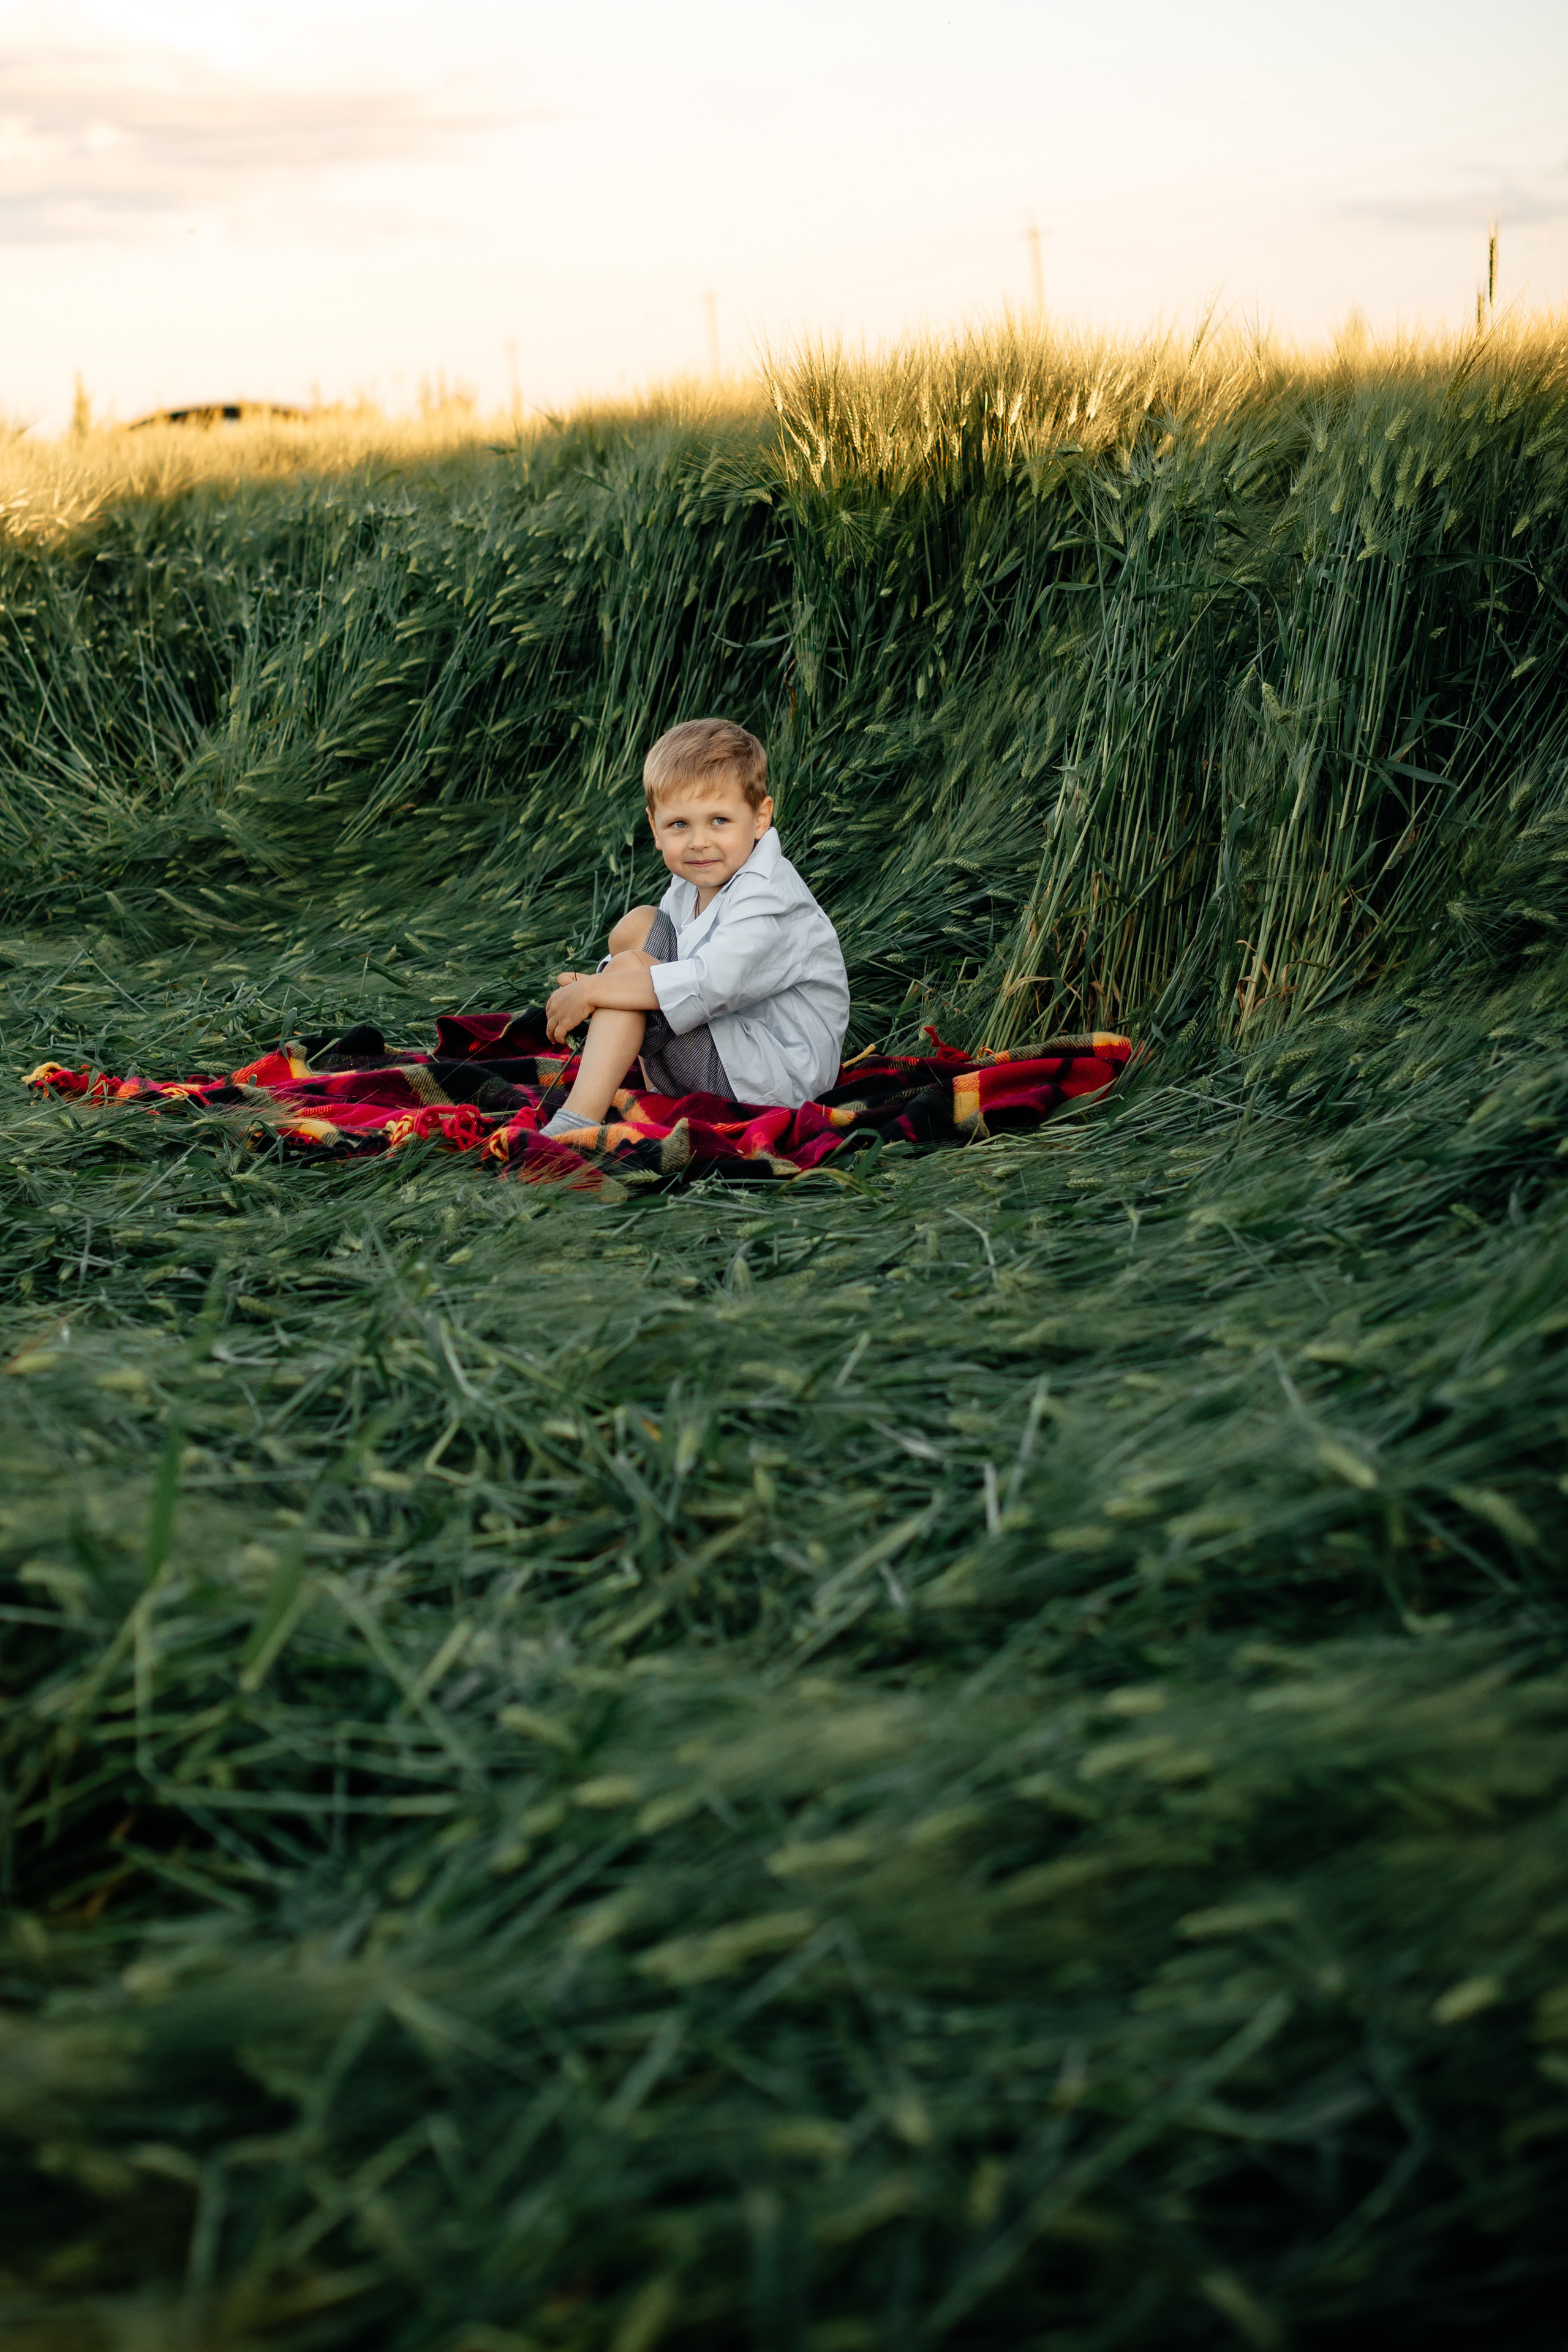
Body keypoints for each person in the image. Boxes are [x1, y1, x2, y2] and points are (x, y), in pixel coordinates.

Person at [540, 717, 849, 1137]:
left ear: (760, 818)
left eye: (719, 820)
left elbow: (708, 984)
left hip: (768, 1080)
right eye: (679, 825)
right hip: (725, 1040)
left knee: (629, 972)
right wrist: (607, 984)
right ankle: (652, 1079)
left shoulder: (770, 897)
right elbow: (670, 967)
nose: (699, 841)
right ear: (655, 828)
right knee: (640, 926)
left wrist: (596, 990)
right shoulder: (692, 884)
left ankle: (576, 1122)